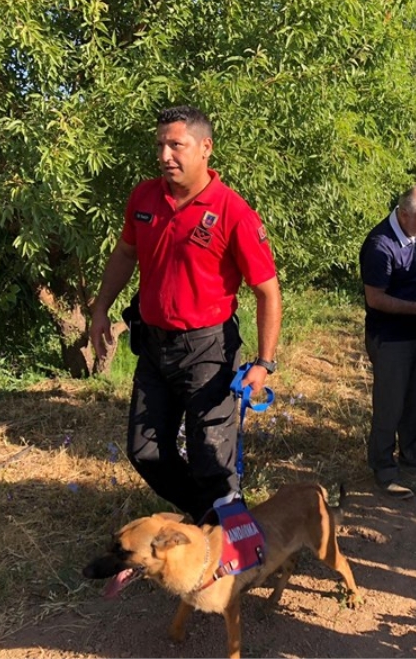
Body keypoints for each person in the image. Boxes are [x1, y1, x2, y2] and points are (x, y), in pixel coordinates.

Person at [90, 105, 282, 524]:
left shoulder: (233, 211)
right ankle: (207, 519)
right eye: (160, 145)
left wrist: (264, 363)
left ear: (205, 148)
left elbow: (267, 290)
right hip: (154, 347)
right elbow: (125, 254)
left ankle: (236, 551)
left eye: (176, 144)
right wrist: (100, 309)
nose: (164, 155)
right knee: (146, 451)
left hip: (208, 350)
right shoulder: (144, 197)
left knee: (211, 458)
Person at [359, 184, 416, 499]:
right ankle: (383, 468)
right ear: (405, 214)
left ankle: (412, 453)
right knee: (390, 405)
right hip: (390, 337)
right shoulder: (380, 246)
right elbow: (376, 299)